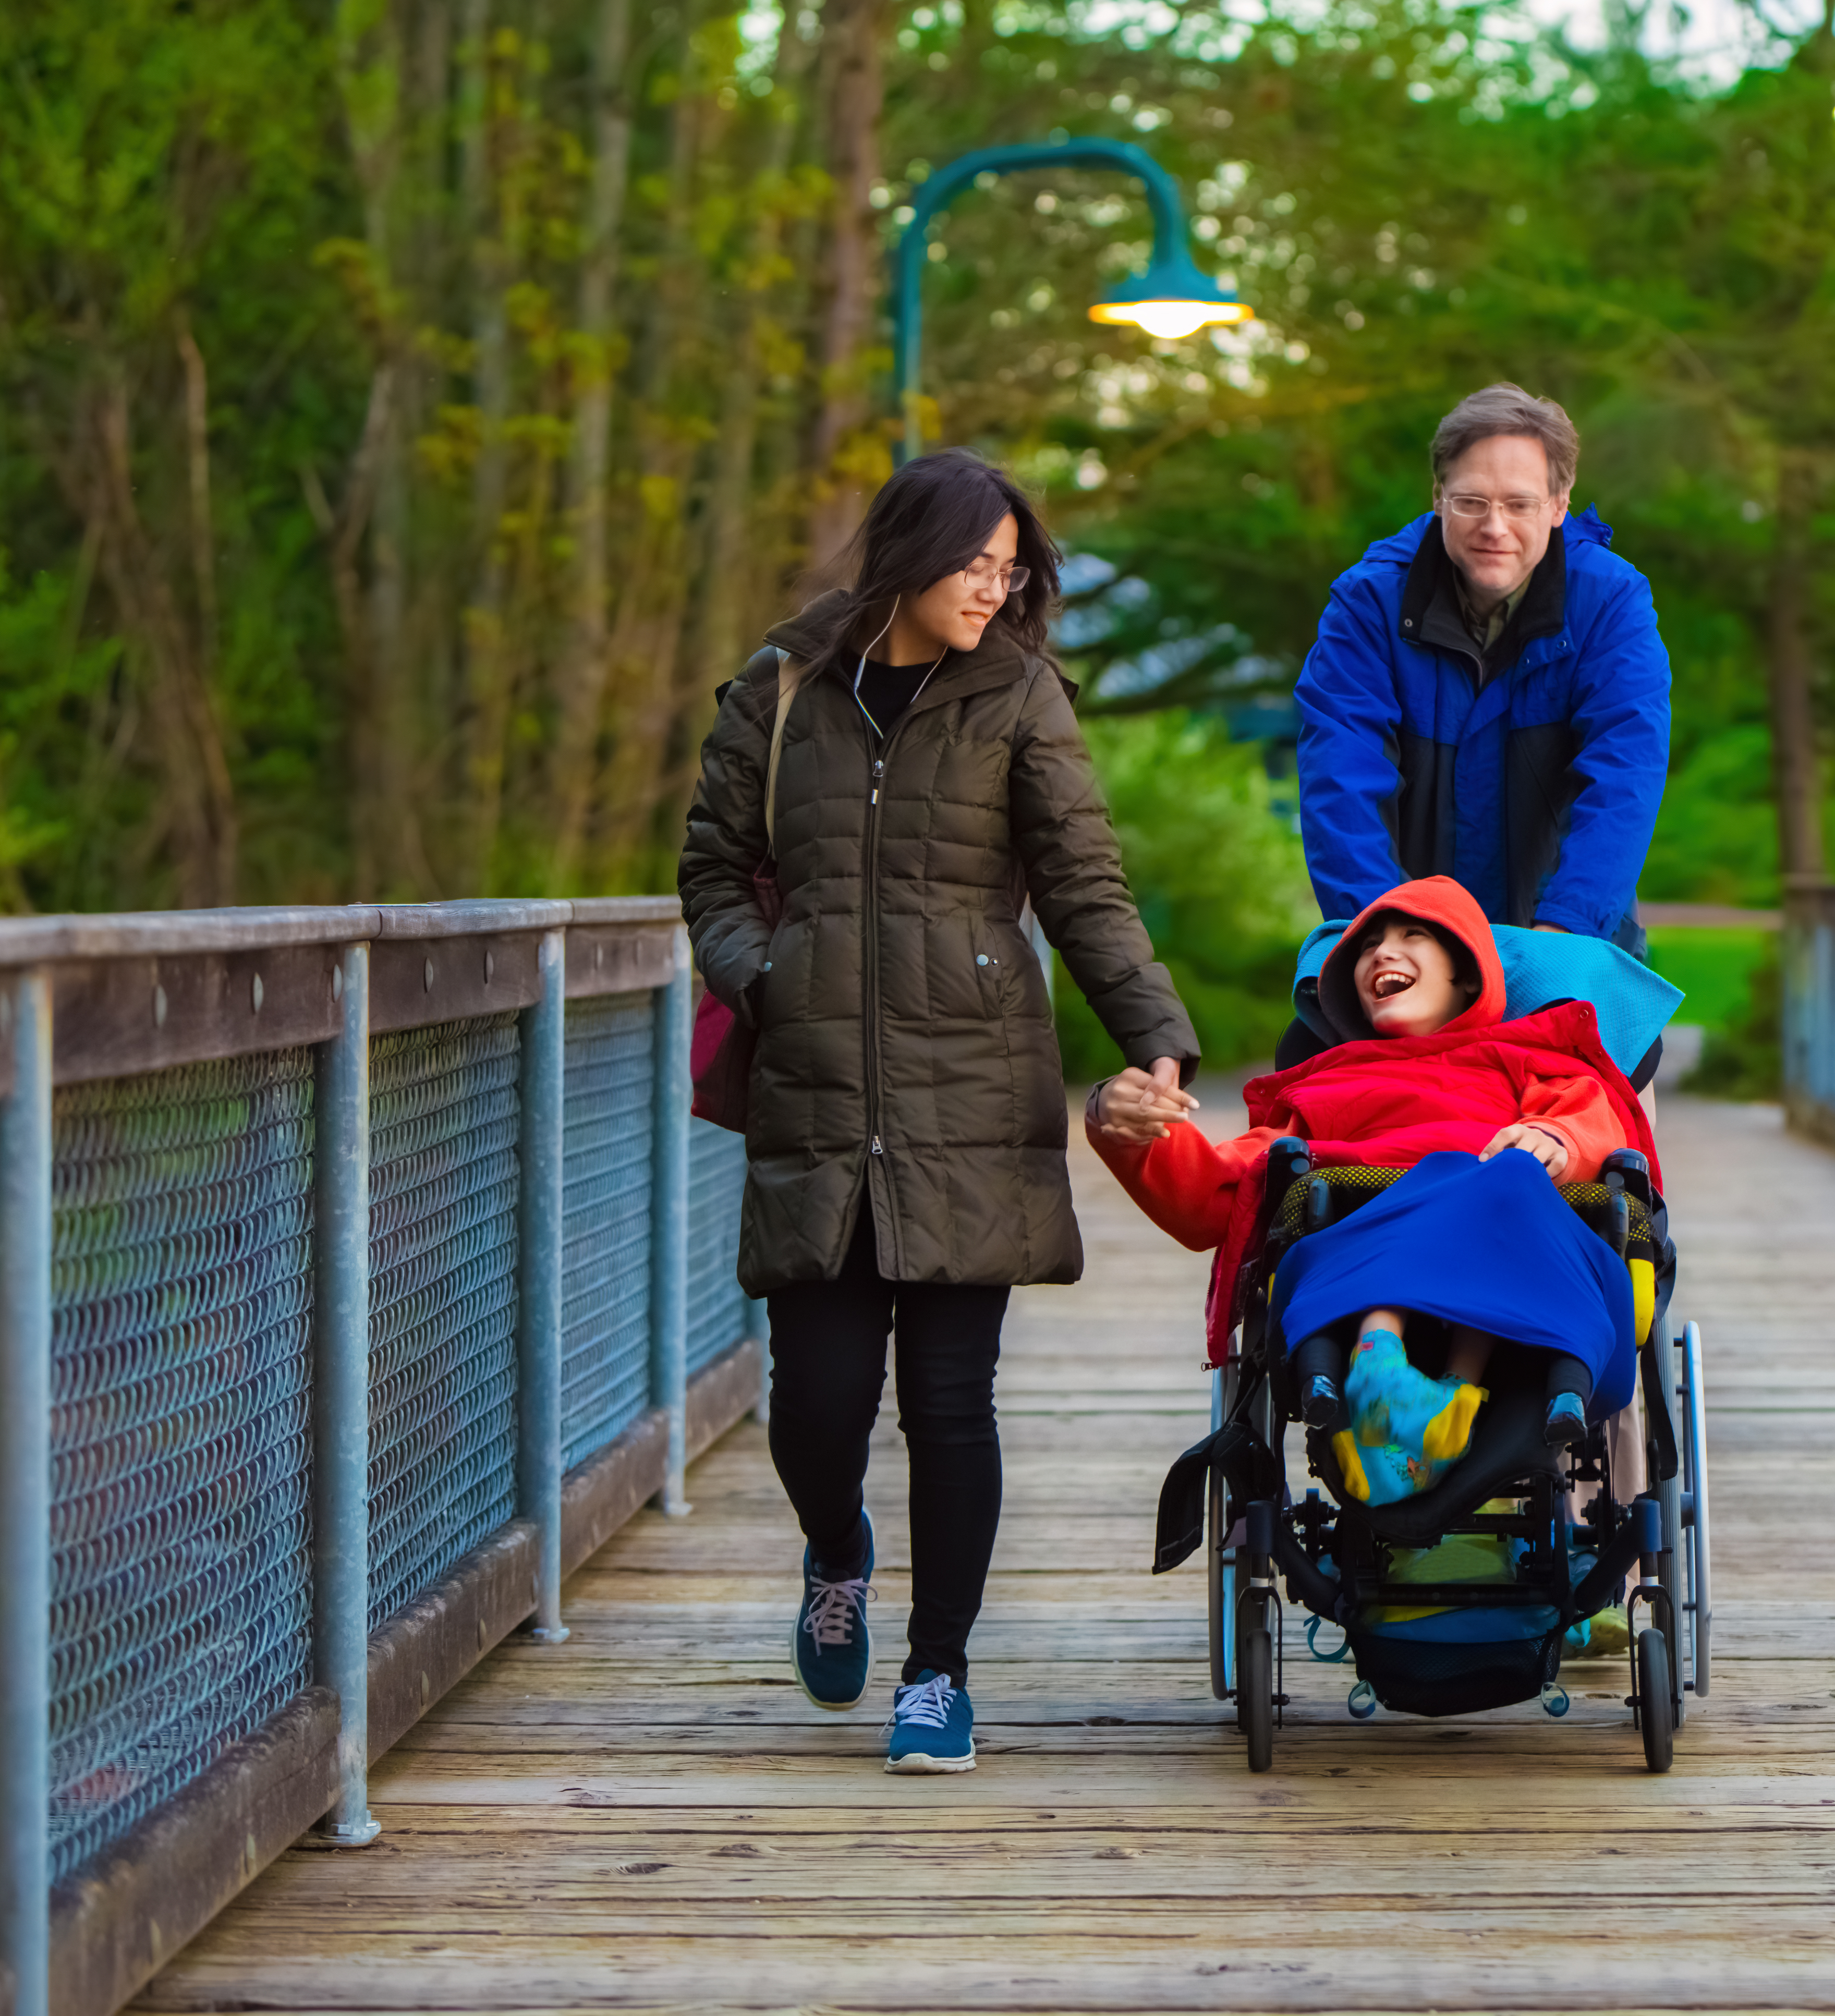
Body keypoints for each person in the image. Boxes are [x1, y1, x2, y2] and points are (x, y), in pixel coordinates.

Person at [679, 447, 1195, 1775]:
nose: (995, 587)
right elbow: (711, 864)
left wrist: (1159, 1038)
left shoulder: (1019, 696)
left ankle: (937, 1671)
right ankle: (837, 1548)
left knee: (951, 1400)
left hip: (972, 1082)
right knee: (820, 1401)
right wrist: (763, 974)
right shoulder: (782, 686)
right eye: (975, 564)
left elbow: (1085, 883)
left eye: (1011, 569)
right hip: (817, 1085)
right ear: (906, 554)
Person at [1082, 876, 1649, 1506]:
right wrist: (1126, 1125)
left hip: (1514, 1251)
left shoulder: (1528, 1060)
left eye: (1412, 935)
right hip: (1358, 1261)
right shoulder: (1322, 1089)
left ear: (1467, 974)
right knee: (1445, 1183)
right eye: (1367, 945)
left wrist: (1556, 1137)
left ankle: (1408, 1380)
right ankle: (1395, 1370)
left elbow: (1593, 1123)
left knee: (1505, 1174)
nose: (1380, 952)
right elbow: (1210, 1194)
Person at [1293, 383, 1671, 963]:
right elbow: (1340, 781)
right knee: (1310, 1050)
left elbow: (1625, 775)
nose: (1494, 527)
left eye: (1519, 504)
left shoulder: (1611, 602)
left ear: (1558, 503)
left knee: (1611, 1057)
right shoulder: (1367, 604)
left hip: (1565, 937)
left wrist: (1563, 937)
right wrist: (1390, 942)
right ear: (1440, 496)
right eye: (1472, 501)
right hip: (1402, 939)